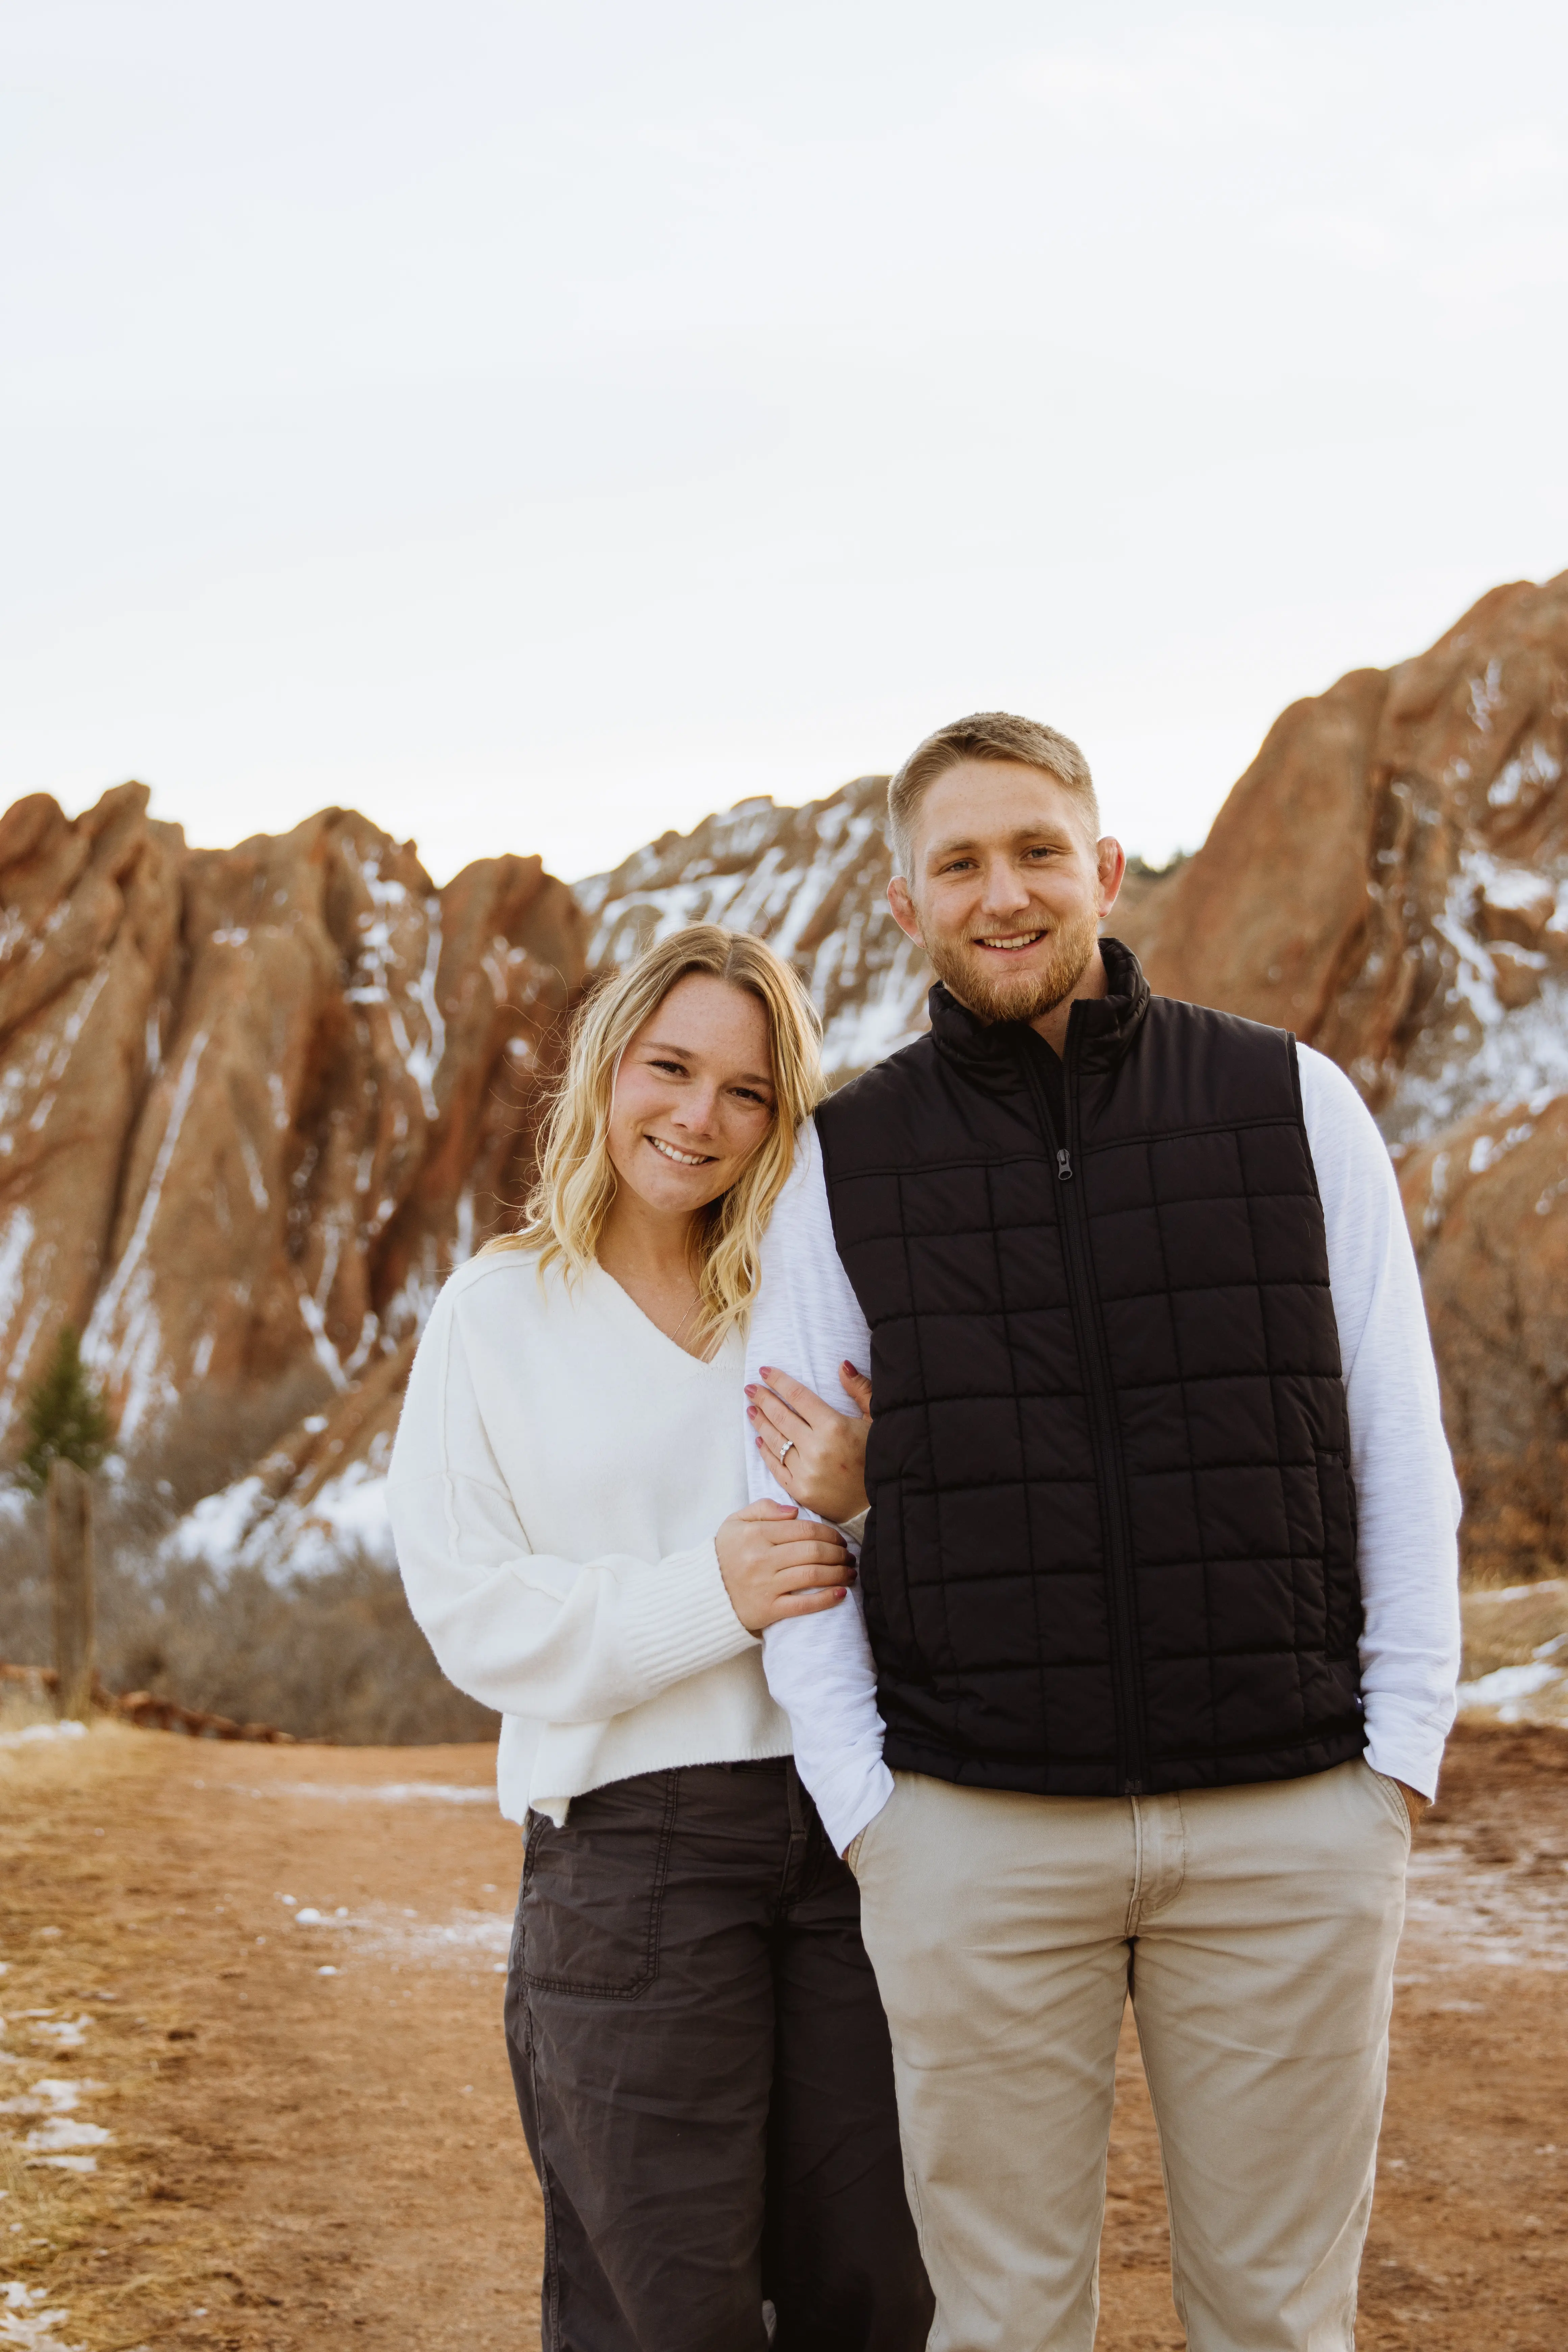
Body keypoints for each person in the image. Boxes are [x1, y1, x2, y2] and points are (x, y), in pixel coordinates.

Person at [741, 713, 1463, 2352]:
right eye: (960, 863)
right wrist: (873, 1808)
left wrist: (1395, 1755)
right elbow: (790, 1510)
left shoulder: (1292, 1105)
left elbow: (1395, 1454)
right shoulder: (842, 1166)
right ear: (906, 901)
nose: (1003, 892)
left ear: (1103, 869)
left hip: (1288, 1826)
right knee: (1000, 2326)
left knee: (1276, 2322)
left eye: (1035, 851)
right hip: (975, 1834)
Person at [386, 924, 932, 2352]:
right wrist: (709, 1595)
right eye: (669, 1069)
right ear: (602, 1070)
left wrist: (870, 1500)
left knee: (875, 2285)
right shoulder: (499, 1313)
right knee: (663, 2307)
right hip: (627, 1856)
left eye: (745, 1093)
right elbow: (471, 1611)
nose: (699, 1118)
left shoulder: (812, 1300)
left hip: (848, 1842)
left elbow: (939, 1564)